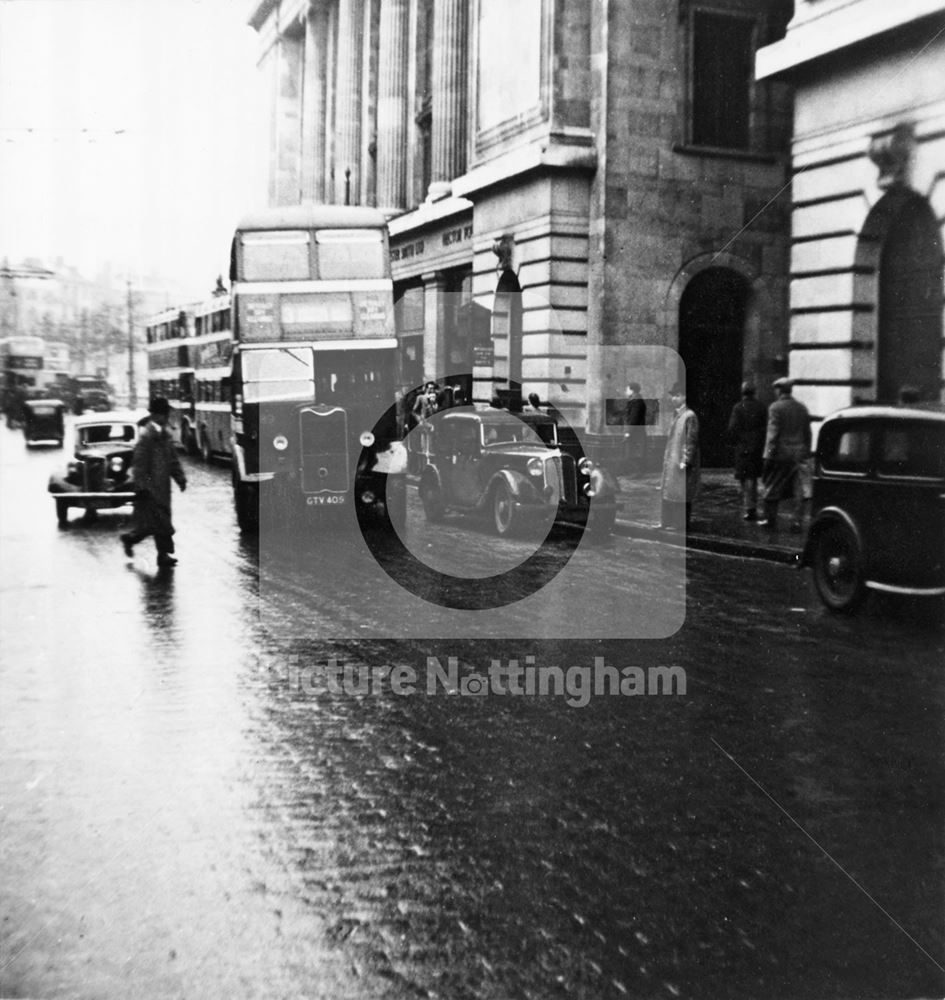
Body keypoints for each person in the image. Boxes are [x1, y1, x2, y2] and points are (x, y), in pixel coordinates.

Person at [120, 396, 187, 567]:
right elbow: (139, 465)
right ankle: (162, 555)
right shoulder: (147, 437)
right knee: (159, 522)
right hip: (150, 489)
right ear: (156, 415)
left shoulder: (164, 435)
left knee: (154, 523)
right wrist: (142, 486)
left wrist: (180, 478)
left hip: (162, 487)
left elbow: (172, 460)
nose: (166, 417)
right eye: (164, 414)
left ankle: (131, 539)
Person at [759, 377, 811, 532]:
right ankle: (797, 522)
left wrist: (767, 456)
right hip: (799, 454)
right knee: (798, 489)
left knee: (772, 486)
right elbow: (807, 433)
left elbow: (772, 435)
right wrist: (806, 450)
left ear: (779, 390)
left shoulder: (775, 407)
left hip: (781, 454)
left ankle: (770, 519)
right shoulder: (801, 407)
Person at [660, 382, 700, 532]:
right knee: (670, 491)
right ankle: (667, 522)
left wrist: (686, 460)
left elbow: (691, 441)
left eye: (677, 395)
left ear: (684, 396)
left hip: (680, 463)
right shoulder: (677, 415)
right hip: (672, 461)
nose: (674, 399)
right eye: (672, 396)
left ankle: (679, 525)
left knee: (681, 493)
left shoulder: (689, 416)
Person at [727, 381, 767, 520]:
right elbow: (765, 428)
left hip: (743, 448)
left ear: (743, 392)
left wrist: (737, 442)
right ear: (754, 392)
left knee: (745, 478)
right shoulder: (761, 407)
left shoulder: (738, 407)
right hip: (757, 448)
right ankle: (752, 506)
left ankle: (750, 507)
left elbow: (732, 428)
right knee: (752, 478)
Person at [622, 381, 647, 475]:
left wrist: (628, 432)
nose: (626, 391)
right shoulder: (634, 400)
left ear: (632, 390)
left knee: (634, 453)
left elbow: (634, 418)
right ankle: (635, 472)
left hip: (635, 433)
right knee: (632, 452)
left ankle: (637, 472)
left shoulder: (637, 401)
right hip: (635, 432)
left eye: (627, 389)